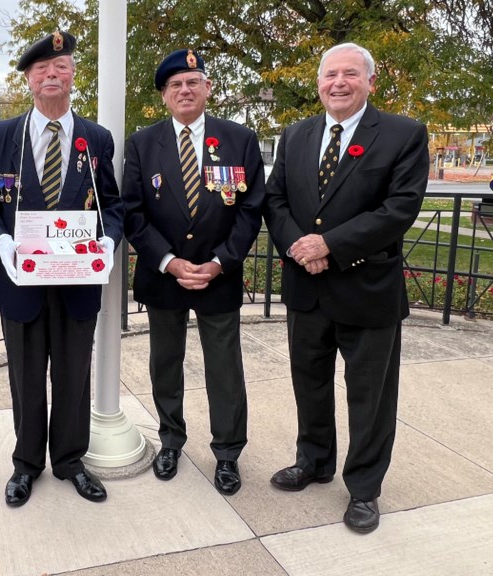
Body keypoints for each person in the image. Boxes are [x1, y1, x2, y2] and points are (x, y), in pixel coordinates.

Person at [263, 42, 429, 533]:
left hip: (367, 289)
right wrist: (300, 247)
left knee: (370, 397)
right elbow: (275, 201)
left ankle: (363, 489)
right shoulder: (294, 135)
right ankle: (313, 461)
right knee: (309, 383)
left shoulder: (402, 134)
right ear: (319, 83)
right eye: (330, 74)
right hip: (307, 288)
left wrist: (328, 246)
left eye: (350, 74)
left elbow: (399, 209)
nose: (338, 82)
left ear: (370, 82)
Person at [0, 30, 124, 507]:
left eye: (61, 66)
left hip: (78, 281)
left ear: (74, 75)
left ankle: (71, 460)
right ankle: (26, 464)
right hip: (23, 282)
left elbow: (112, 205)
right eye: (42, 69)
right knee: (27, 376)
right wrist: (2, 242)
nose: (52, 74)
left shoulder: (96, 139)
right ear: (29, 80)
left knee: (74, 375)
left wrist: (108, 241)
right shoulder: (1, 136)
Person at [122, 48, 264, 495]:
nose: (185, 90)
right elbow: (132, 211)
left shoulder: (239, 139)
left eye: (193, 81)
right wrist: (169, 260)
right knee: (166, 363)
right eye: (175, 85)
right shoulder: (142, 143)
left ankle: (227, 453)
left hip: (217, 276)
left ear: (207, 88)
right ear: (164, 96)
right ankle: (170, 440)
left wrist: (220, 262)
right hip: (165, 276)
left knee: (225, 368)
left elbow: (250, 209)